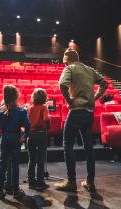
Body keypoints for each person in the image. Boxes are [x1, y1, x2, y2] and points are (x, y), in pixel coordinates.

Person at [54, 48, 108, 192]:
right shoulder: (89, 69)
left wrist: (69, 100)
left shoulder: (70, 68)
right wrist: (94, 98)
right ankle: (90, 181)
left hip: (76, 112)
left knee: (67, 146)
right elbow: (105, 83)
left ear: (67, 60)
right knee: (89, 147)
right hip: (89, 113)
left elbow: (62, 84)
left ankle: (71, 181)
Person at [0, 85, 31, 200]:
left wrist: (5, 126)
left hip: (4, 136)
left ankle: (0, 191)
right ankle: (16, 190)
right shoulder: (21, 110)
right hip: (15, 136)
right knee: (15, 165)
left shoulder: (0, 110)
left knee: (2, 164)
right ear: (16, 96)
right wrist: (25, 136)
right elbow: (28, 124)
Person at [26, 88, 51, 190]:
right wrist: (47, 128)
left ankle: (31, 181)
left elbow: (26, 122)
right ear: (44, 98)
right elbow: (47, 119)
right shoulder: (44, 108)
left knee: (31, 159)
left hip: (31, 135)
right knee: (40, 158)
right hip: (41, 134)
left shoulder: (28, 109)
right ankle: (40, 181)